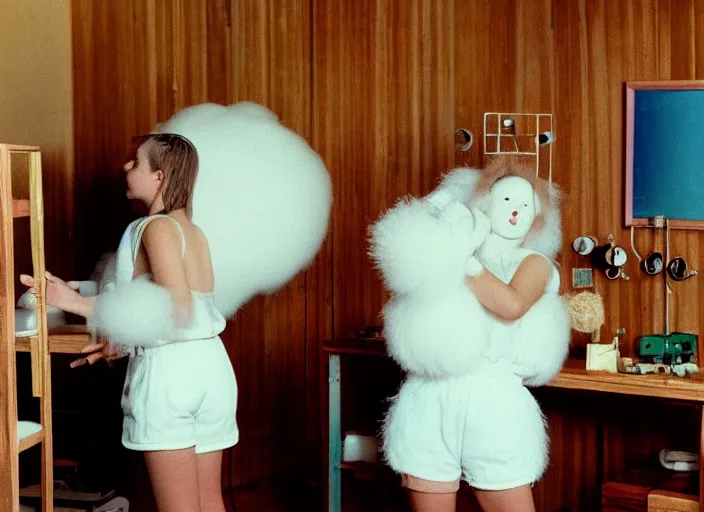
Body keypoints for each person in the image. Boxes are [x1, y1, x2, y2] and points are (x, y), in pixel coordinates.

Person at [22, 133, 237, 512]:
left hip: (171, 376)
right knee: (209, 501)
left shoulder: (153, 228)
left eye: (136, 162)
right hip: (213, 369)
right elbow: (179, 312)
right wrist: (122, 340)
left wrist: (72, 301)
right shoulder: (194, 232)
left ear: (159, 176)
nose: (126, 167)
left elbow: (177, 309)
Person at [369, 156, 570, 512]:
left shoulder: (534, 264)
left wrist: (459, 259)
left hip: (494, 404)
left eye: (525, 204)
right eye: (507, 200)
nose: (515, 210)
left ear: (537, 216)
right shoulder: (449, 251)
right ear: (485, 203)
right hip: (428, 398)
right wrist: (442, 238)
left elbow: (511, 305)